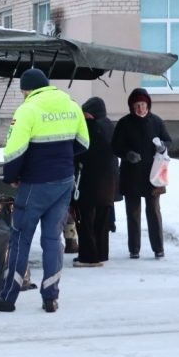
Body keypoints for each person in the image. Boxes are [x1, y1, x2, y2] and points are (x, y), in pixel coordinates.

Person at [0, 68, 89, 314]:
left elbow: (14, 151)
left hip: (35, 184)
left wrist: (12, 177)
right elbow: (84, 143)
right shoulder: (71, 104)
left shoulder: (27, 109)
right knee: (52, 239)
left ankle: (7, 298)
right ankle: (51, 296)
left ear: (27, 89)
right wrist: (60, 159)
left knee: (20, 238)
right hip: (63, 182)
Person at [111, 87, 172, 259]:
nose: (141, 108)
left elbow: (168, 141)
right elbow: (115, 146)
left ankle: (158, 248)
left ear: (148, 105)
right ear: (132, 106)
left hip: (153, 175)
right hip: (131, 174)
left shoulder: (156, 122)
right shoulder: (124, 123)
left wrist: (163, 147)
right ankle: (134, 249)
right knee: (133, 213)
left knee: (153, 210)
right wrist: (127, 154)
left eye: (143, 105)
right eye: (137, 105)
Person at [72, 97, 120, 267]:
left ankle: (88, 257)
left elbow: (81, 152)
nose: (83, 116)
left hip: (90, 183)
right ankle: (100, 254)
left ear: (91, 113)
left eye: (85, 113)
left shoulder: (91, 128)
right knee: (101, 221)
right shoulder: (108, 125)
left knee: (85, 220)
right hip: (108, 183)